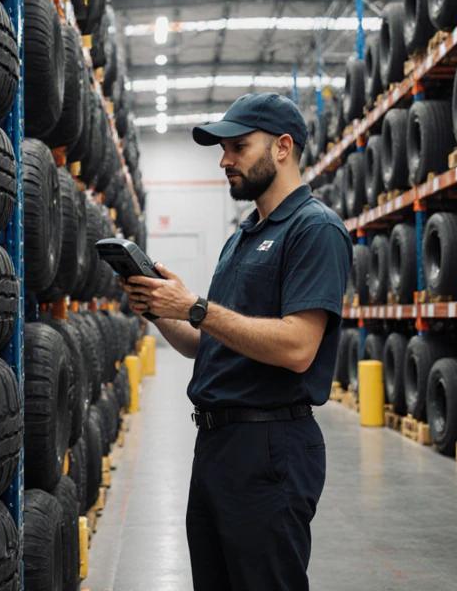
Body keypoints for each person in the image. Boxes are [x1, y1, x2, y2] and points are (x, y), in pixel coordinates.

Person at [123, 92, 352, 591]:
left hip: (269, 449)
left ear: (283, 148)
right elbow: (204, 343)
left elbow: (297, 348)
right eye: (222, 150)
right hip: (217, 447)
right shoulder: (243, 235)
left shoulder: (315, 230)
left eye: (238, 147)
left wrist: (197, 307)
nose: (225, 160)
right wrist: (159, 309)